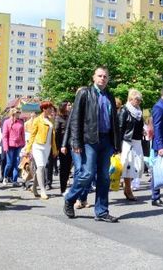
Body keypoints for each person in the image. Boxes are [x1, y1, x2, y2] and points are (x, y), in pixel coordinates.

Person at [63, 67, 120, 222]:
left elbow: (114, 122)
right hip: (89, 140)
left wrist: (116, 144)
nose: (103, 78)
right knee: (87, 173)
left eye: (105, 76)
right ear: (93, 78)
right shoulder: (84, 93)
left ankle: (101, 211)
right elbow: (75, 119)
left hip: (106, 140)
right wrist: (75, 141)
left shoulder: (109, 95)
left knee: (104, 177)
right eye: (100, 76)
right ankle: (70, 198)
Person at [26, 101, 57, 200]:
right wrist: (28, 148)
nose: (51, 110)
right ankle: (42, 190)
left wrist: (54, 149)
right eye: (49, 108)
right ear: (44, 109)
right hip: (38, 146)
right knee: (40, 167)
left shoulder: (51, 120)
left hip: (47, 147)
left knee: (41, 168)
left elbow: (53, 136)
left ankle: (34, 187)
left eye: (51, 108)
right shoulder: (37, 120)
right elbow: (32, 135)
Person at [118, 89, 144, 201]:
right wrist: (118, 147)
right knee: (128, 166)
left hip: (137, 141)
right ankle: (128, 189)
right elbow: (120, 128)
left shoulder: (139, 111)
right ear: (130, 99)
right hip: (127, 142)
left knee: (138, 166)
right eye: (136, 99)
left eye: (139, 100)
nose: (138, 101)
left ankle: (127, 186)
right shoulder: (125, 110)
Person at [2, 108, 25, 187]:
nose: (19, 114)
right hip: (10, 145)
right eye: (17, 112)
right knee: (9, 163)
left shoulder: (21, 122)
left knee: (17, 163)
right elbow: (4, 136)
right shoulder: (7, 122)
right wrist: (5, 147)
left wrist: (24, 144)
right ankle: (5, 177)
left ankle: (15, 180)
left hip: (19, 145)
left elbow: (23, 134)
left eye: (19, 112)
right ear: (13, 113)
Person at [55, 102, 73, 195]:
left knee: (69, 167)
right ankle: (63, 188)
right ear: (63, 107)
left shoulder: (71, 116)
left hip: (71, 145)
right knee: (64, 168)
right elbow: (57, 134)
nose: (70, 106)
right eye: (68, 105)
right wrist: (58, 147)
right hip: (63, 146)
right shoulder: (58, 118)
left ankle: (66, 186)